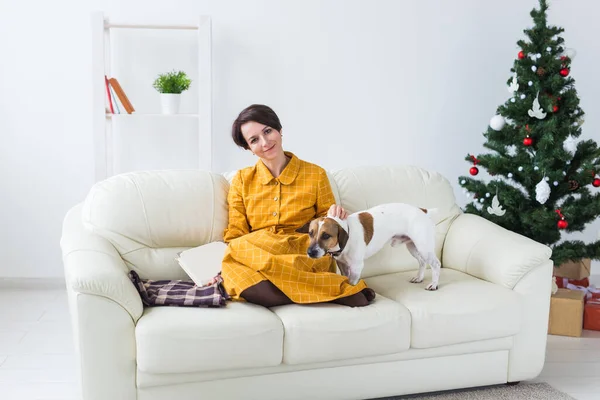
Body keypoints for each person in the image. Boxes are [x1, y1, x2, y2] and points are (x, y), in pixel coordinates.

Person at [221, 104, 376, 308]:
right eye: (254, 140)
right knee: (235, 254)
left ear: (280, 130)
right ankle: (335, 291)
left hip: (303, 250)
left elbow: (327, 222)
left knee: (240, 262)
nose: (265, 142)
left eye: (268, 131)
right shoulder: (241, 180)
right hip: (260, 251)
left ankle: (290, 287)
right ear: (248, 148)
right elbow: (237, 234)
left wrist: (336, 216)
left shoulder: (315, 174)